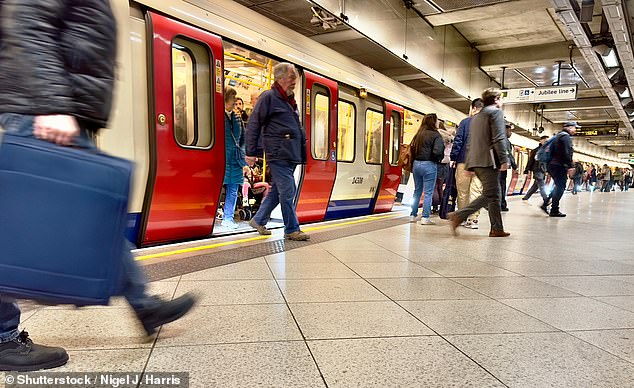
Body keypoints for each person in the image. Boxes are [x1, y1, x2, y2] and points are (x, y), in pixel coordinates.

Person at [0, 1, 196, 372]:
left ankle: (144, 305)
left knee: (96, 217)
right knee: (16, 227)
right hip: (43, 110)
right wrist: (50, 104)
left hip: (57, 108)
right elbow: (26, 22)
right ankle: (2, 337)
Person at [246, 63, 310, 241]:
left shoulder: (288, 100)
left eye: (295, 79)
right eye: (291, 78)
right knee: (288, 190)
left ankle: (258, 220)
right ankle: (291, 229)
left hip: (290, 154)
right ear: (280, 78)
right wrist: (251, 151)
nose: (294, 82)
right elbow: (254, 123)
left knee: (278, 191)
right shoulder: (269, 97)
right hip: (278, 154)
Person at [448, 88, 510, 237]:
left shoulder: (475, 118)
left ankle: (497, 228)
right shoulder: (495, 113)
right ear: (495, 99)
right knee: (491, 194)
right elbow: (499, 138)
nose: (501, 102)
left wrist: (469, 164)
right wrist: (503, 159)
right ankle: (459, 215)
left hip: (477, 161)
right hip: (488, 161)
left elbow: (470, 143)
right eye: (500, 98)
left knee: (494, 195)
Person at [450, 98, 484, 229]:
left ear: (473, 108)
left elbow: (458, 141)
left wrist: (453, 157)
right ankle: (473, 220)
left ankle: (462, 218)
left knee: (463, 192)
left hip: (464, 161)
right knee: (476, 191)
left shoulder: (465, 122)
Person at [408, 114, 445, 225]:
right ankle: (425, 217)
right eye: (437, 120)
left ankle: (413, 215)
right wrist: (437, 159)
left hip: (416, 165)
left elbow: (412, 150)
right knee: (428, 192)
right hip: (429, 164)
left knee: (417, 191)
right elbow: (437, 152)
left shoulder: (418, 134)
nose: (438, 122)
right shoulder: (436, 135)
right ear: (433, 122)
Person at [222, 87, 249, 229]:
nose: (234, 103)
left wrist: (243, 157)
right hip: (222, 158)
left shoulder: (238, 118)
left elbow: (243, 139)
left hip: (236, 159)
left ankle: (228, 217)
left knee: (233, 189)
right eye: (232, 99)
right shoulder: (217, 115)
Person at [546, 122, 578, 217]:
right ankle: (554, 210)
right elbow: (567, 152)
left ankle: (546, 203)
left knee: (558, 186)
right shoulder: (565, 137)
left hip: (552, 164)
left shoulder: (558, 136)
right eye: (574, 128)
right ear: (569, 127)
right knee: (560, 187)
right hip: (559, 165)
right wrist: (570, 166)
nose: (575, 130)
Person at [522, 136, 549, 208]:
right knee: (541, 185)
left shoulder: (546, 150)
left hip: (542, 171)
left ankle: (525, 198)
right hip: (537, 170)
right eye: (545, 141)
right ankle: (546, 199)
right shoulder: (536, 151)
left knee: (536, 186)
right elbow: (530, 161)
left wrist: (547, 170)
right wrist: (527, 170)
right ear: (541, 141)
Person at [499, 125, 517, 211]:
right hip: (501, 166)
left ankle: (500, 204)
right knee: (501, 185)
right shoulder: (505, 141)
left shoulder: (499, 139)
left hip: (497, 166)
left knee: (499, 185)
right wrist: (514, 166)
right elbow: (508, 154)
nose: (511, 133)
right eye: (510, 131)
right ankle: (501, 204)